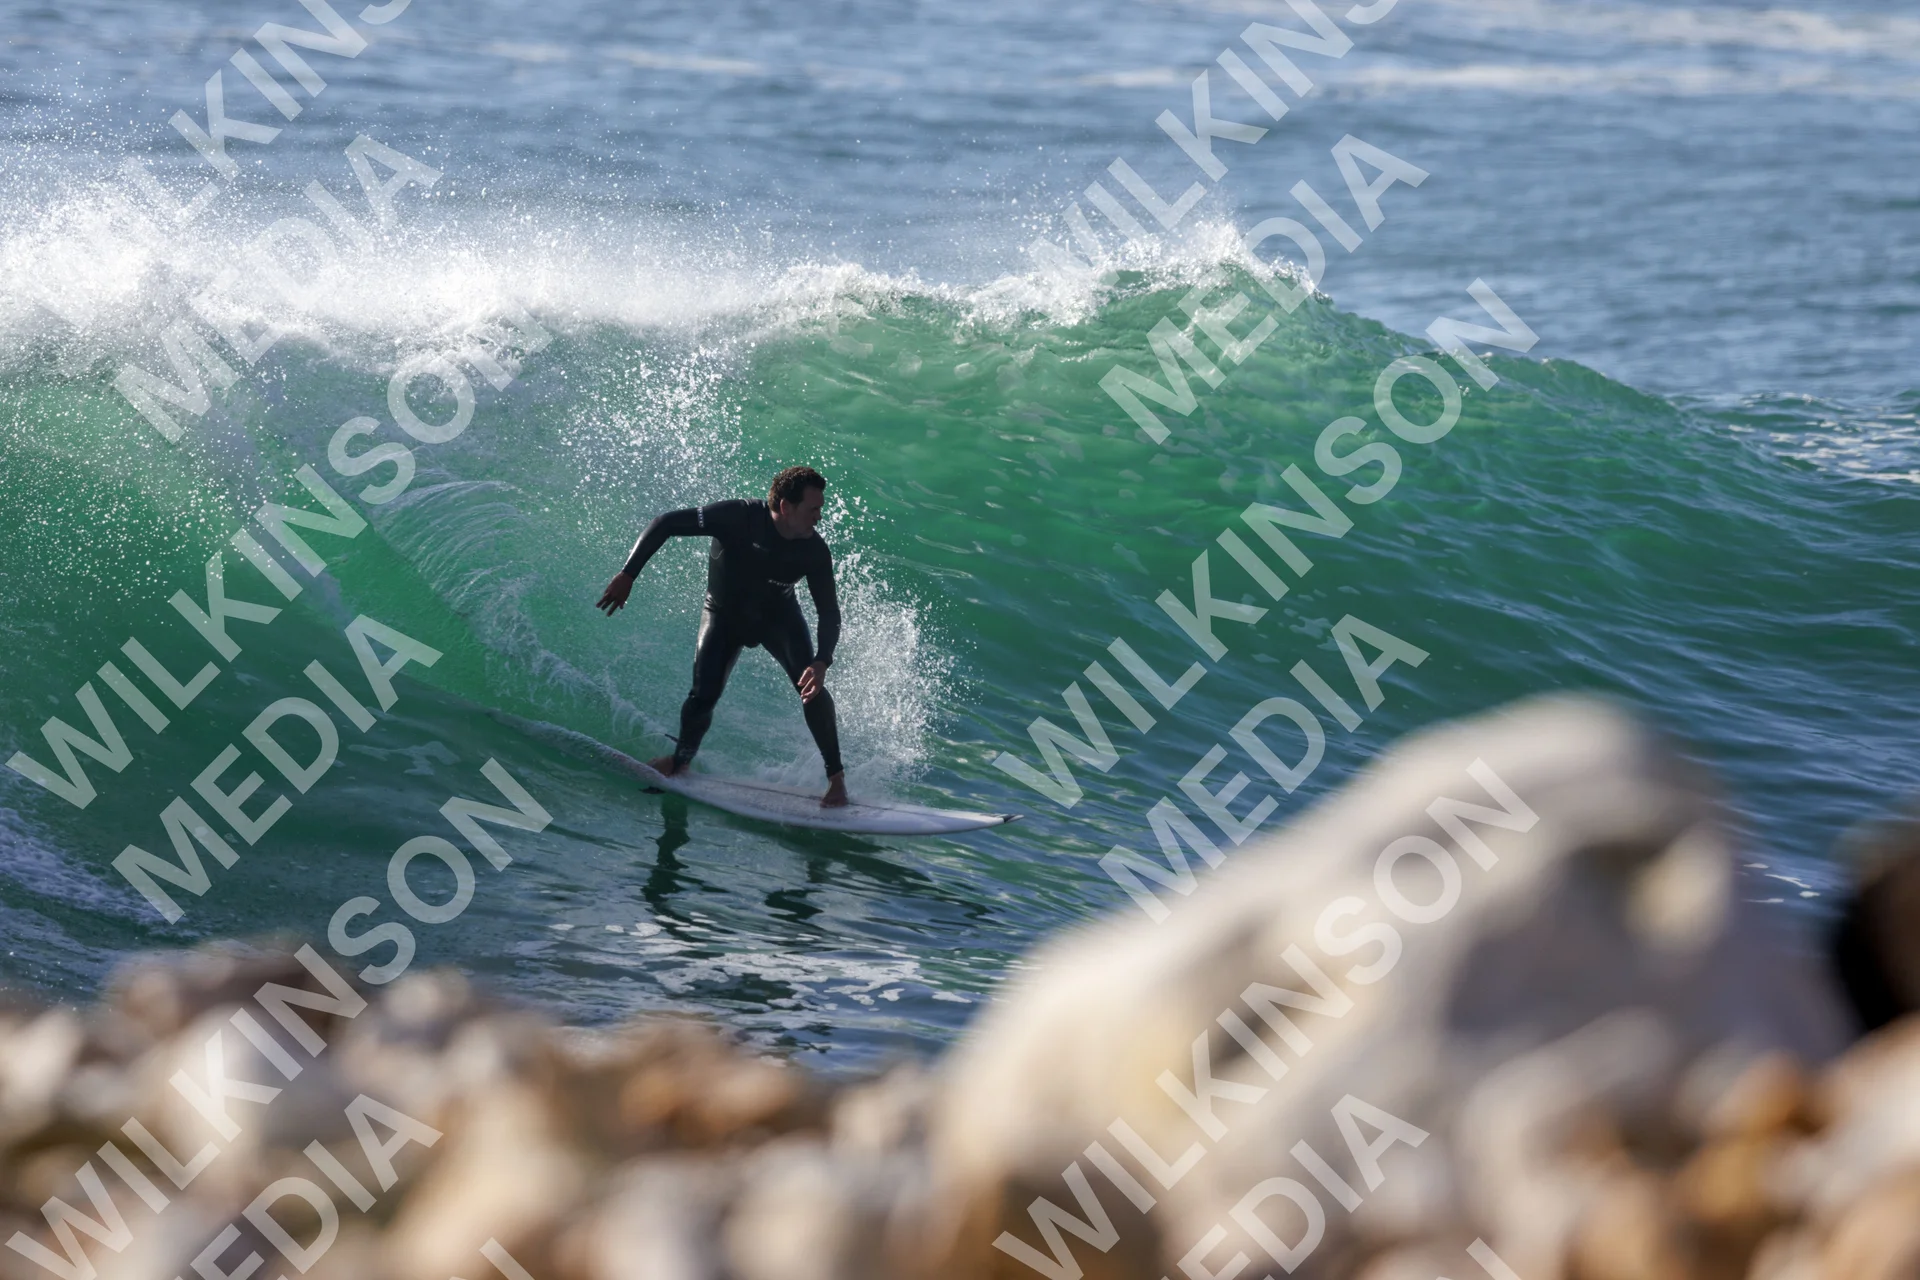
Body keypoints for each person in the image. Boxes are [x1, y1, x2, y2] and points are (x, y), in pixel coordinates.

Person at [596, 466, 848, 807]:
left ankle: (836, 780)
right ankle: (679, 762)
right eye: (813, 509)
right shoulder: (738, 516)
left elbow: (829, 612)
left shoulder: (814, 550)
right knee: (703, 695)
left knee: (811, 690)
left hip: (778, 618)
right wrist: (628, 574)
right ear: (786, 507)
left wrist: (822, 661)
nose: (819, 517)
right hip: (723, 614)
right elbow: (667, 523)